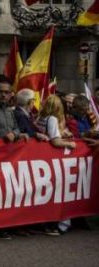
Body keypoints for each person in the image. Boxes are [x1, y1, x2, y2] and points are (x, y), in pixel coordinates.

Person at [37, 95, 77, 236]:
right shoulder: (53, 119)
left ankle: (49, 223)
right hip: (56, 161)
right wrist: (70, 144)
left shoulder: (40, 118)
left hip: (44, 161)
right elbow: (55, 141)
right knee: (61, 192)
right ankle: (61, 225)